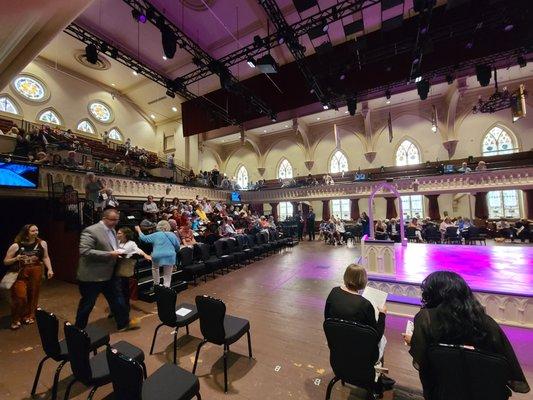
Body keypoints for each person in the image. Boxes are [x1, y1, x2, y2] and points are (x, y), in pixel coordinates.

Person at [403, 271, 530, 398]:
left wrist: (413, 342)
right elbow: (504, 361)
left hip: (442, 392)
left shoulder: (426, 319)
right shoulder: (486, 322)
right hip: (486, 392)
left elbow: (422, 360)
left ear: (432, 294)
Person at [74, 209, 139, 331]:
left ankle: (123, 323)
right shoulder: (91, 231)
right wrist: (110, 254)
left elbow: (112, 248)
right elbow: (85, 251)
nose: (115, 222)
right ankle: (78, 329)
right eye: (113, 220)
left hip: (110, 274)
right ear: (104, 218)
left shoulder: (113, 231)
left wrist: (118, 253)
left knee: (117, 299)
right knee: (87, 304)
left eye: (117, 220)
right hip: (93, 276)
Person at [3, 224, 54, 330]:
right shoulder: (16, 245)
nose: (36, 232)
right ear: (26, 233)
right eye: (33, 231)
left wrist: (50, 269)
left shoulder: (42, 243)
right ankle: (16, 319)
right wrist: (16, 258)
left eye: (37, 230)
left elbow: (45, 257)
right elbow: (6, 261)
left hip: (36, 270)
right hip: (20, 272)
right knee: (20, 297)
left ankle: (29, 316)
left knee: (34, 294)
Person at [135, 220, 180, 288]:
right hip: (170, 255)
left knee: (155, 268)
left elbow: (144, 238)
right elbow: (177, 246)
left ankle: (156, 285)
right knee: (167, 275)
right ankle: (166, 289)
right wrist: (174, 252)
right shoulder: (172, 234)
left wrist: (138, 230)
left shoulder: (156, 234)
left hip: (157, 255)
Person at [116, 227, 151, 313]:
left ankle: (125, 307)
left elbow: (138, 250)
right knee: (116, 289)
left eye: (119, 233)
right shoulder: (116, 242)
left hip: (125, 268)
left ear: (125, 235)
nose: (117, 234)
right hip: (115, 267)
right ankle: (116, 308)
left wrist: (145, 255)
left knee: (124, 289)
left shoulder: (131, 243)